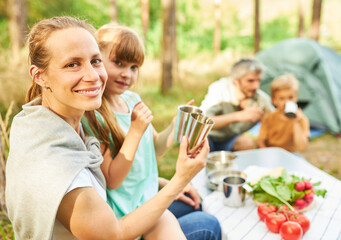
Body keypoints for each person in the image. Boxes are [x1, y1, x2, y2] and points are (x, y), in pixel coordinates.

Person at [5, 16, 210, 240]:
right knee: (206, 226)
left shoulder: (53, 122)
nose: (93, 76)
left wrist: (163, 180)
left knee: (195, 211)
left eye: (95, 61)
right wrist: (180, 179)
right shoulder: (58, 160)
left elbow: (150, 151)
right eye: (72, 64)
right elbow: (113, 233)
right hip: (119, 223)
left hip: (131, 206)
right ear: (39, 76)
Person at [82, 24, 221, 240]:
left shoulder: (132, 100)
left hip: (148, 196)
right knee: (208, 224)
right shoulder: (95, 116)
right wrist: (135, 131)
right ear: (97, 61)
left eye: (134, 67)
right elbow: (113, 180)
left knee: (198, 204)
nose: (126, 74)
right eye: (118, 63)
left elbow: (154, 148)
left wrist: (176, 125)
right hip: (129, 215)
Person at [200, 58, 274, 152]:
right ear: (236, 80)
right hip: (210, 138)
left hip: (232, 141)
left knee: (246, 143)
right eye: (250, 81)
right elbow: (202, 123)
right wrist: (238, 116)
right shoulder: (220, 90)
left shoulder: (260, 99)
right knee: (197, 139)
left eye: (258, 80)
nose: (256, 86)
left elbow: (275, 121)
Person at [257, 74, 310, 152]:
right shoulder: (269, 117)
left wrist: (296, 122)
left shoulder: (302, 120)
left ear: (296, 98)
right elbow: (260, 141)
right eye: (282, 98)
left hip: (290, 154)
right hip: (271, 152)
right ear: (274, 100)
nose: (287, 102)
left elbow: (301, 148)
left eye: (291, 97)